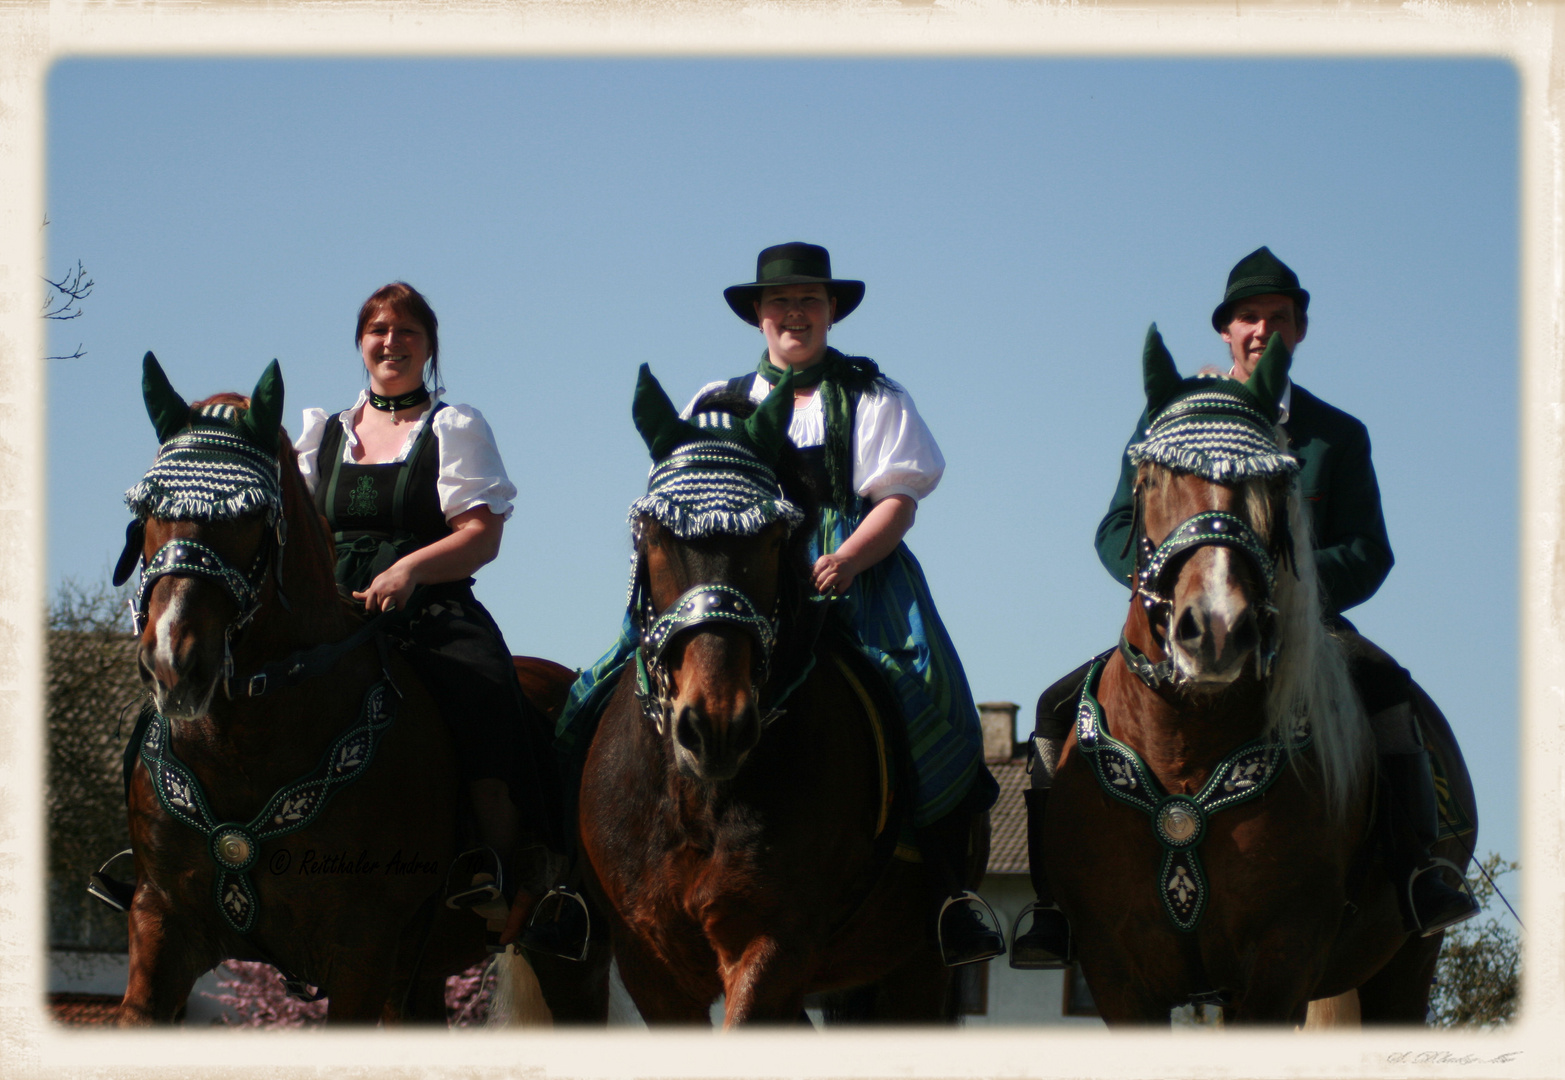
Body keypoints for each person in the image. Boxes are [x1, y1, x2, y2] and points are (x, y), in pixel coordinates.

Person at [1010, 248, 1477, 970]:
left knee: (1387, 687)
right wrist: (1164, 590)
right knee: (1050, 709)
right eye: (1248, 317)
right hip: (1180, 618)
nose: (1262, 329)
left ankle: (1419, 872)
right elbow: (1113, 529)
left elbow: (1367, 552)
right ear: (1226, 331)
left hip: (1305, 626)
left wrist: (1284, 591)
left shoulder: (1336, 434)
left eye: (1278, 318)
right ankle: (1049, 908)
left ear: (1299, 333)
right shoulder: (1170, 417)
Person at [556, 242, 1004, 966]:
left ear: (830, 312)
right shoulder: (710, 401)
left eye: (809, 301)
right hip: (724, 574)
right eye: (780, 302)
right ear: (758, 316)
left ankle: (950, 894)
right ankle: (569, 887)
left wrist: (849, 558)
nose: (794, 313)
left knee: (924, 694)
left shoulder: (874, 395)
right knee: (595, 689)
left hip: (846, 564)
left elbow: (897, 500)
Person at [294, 281, 585, 958]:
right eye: (377, 330)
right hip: (336, 613)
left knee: (484, 693)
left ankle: (498, 869)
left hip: (430, 608)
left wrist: (410, 570)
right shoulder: (322, 433)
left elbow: (480, 535)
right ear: (360, 343)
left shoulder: (454, 427)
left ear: (428, 347)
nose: (390, 342)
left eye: (406, 332)